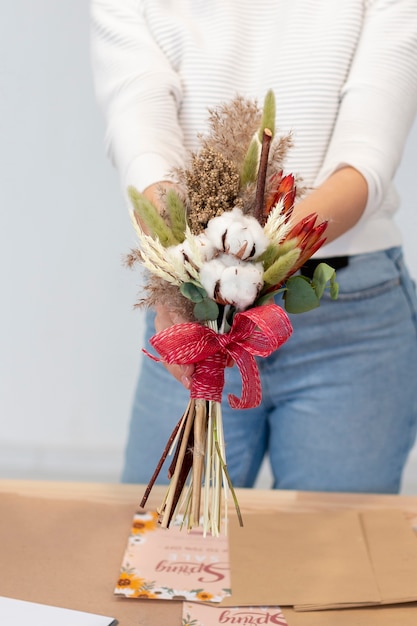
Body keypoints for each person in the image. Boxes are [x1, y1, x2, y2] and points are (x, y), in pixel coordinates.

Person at [91, 0, 417, 493]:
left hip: (348, 321)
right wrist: (192, 282)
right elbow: (144, 146)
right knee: (166, 552)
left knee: (332, 560)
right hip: (195, 305)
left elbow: (365, 161)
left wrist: (241, 266)